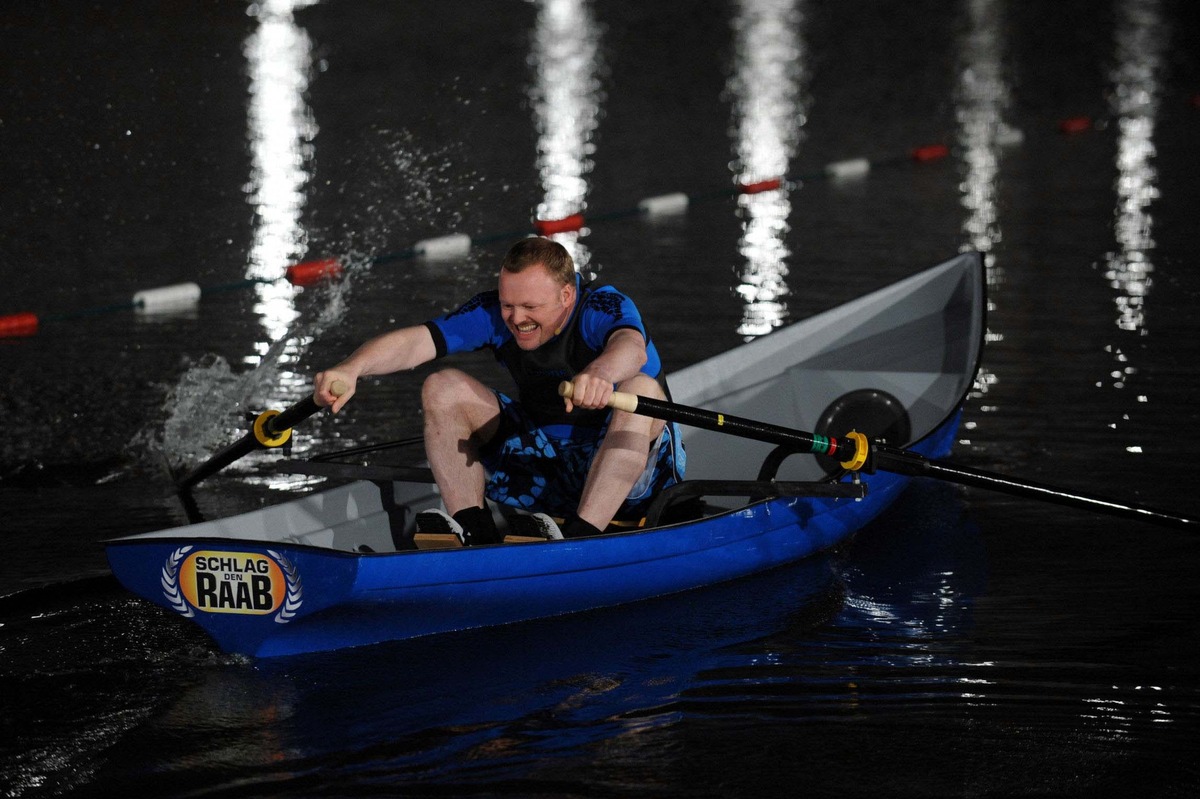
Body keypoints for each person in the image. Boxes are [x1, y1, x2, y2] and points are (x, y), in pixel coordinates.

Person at [312, 237, 685, 545]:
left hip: (635, 484)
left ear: (567, 295)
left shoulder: (602, 306)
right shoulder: (493, 314)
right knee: (442, 387)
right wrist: (352, 367)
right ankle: (476, 533)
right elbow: (415, 343)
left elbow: (631, 348)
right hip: (548, 467)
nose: (516, 319)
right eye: (508, 304)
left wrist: (600, 373)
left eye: (530, 306)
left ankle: (580, 540)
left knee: (641, 389)